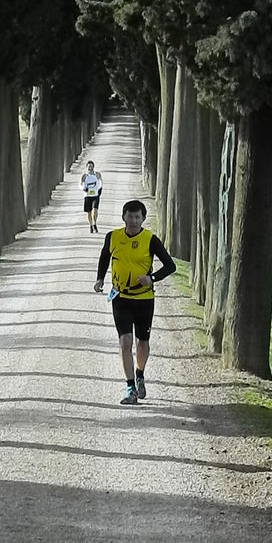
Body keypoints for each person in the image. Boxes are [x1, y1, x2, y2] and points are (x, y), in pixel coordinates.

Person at [94, 200, 176, 405]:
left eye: (137, 217)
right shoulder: (113, 237)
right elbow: (105, 257)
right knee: (125, 342)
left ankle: (140, 374)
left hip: (144, 299)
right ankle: (130, 386)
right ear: (124, 217)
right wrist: (99, 278)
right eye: (129, 216)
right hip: (120, 297)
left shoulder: (150, 239)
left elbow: (170, 266)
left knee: (142, 343)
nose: (133, 221)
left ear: (143, 219)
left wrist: (152, 278)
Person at [79, 160, 103, 233]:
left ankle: (94, 223)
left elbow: (101, 181)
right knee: (89, 212)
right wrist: (83, 188)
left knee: (95, 210)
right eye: (89, 166)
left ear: (93, 167)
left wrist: (100, 188)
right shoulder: (84, 176)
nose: (90, 168)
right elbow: (79, 184)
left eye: (91, 166)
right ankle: (90, 225)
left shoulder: (97, 174)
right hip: (87, 196)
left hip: (95, 195)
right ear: (87, 167)